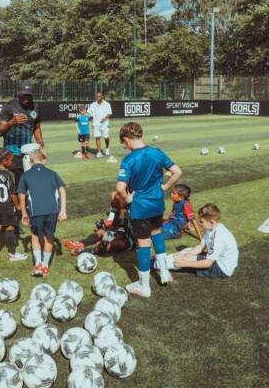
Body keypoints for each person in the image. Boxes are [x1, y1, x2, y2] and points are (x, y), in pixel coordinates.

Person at [115, 122, 182, 298]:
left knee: (143, 244)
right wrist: (164, 187)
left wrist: (128, 199)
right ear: (142, 135)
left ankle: (144, 287)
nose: (125, 146)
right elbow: (177, 172)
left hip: (140, 207)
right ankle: (164, 273)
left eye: (124, 143)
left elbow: (120, 188)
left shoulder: (128, 160)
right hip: (157, 203)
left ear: (126, 139)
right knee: (157, 233)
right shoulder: (156, 152)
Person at [18, 149, 67, 278]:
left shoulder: (25, 175)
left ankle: (38, 264)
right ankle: (45, 267)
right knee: (49, 238)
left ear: (30, 162)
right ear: (44, 160)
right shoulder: (52, 173)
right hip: (52, 211)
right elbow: (62, 190)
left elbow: (22, 195)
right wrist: (63, 210)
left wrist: (23, 213)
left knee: (35, 235)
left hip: (36, 211)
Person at [168, 203, 239, 278]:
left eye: (202, 222)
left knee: (185, 261)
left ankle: (162, 265)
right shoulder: (212, 228)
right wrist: (185, 255)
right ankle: (164, 261)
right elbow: (201, 245)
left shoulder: (218, 236)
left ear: (211, 222)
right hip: (217, 260)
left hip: (222, 269)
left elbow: (208, 263)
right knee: (188, 251)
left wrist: (184, 264)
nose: (199, 224)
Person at [0, 83, 44, 192]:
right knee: (15, 185)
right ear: (18, 93)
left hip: (29, 152)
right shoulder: (8, 107)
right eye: (24, 95)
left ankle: (25, 201)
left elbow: (36, 127)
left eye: (29, 95)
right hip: (12, 153)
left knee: (29, 183)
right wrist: (12, 122)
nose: (26, 98)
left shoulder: (35, 107)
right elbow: (0, 132)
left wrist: (40, 144)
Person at [64, 191, 134, 256]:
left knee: (113, 243)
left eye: (116, 202)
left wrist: (107, 238)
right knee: (101, 232)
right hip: (122, 234)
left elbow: (127, 232)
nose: (113, 204)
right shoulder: (119, 210)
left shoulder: (131, 211)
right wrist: (106, 227)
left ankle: (84, 251)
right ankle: (79, 244)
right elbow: (115, 226)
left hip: (130, 241)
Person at [0, 148, 27, 262]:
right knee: (10, 228)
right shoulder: (9, 174)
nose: (12, 162)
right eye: (10, 160)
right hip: (8, 206)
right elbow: (12, 194)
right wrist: (18, 205)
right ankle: (12, 254)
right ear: (4, 161)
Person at [88, 91, 112, 157]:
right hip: (96, 124)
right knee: (97, 137)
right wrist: (89, 116)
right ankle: (99, 152)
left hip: (105, 123)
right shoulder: (93, 104)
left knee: (106, 137)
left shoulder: (107, 104)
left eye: (99, 96)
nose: (97, 97)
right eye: (97, 96)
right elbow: (89, 113)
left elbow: (109, 113)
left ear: (102, 97)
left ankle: (107, 148)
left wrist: (104, 118)